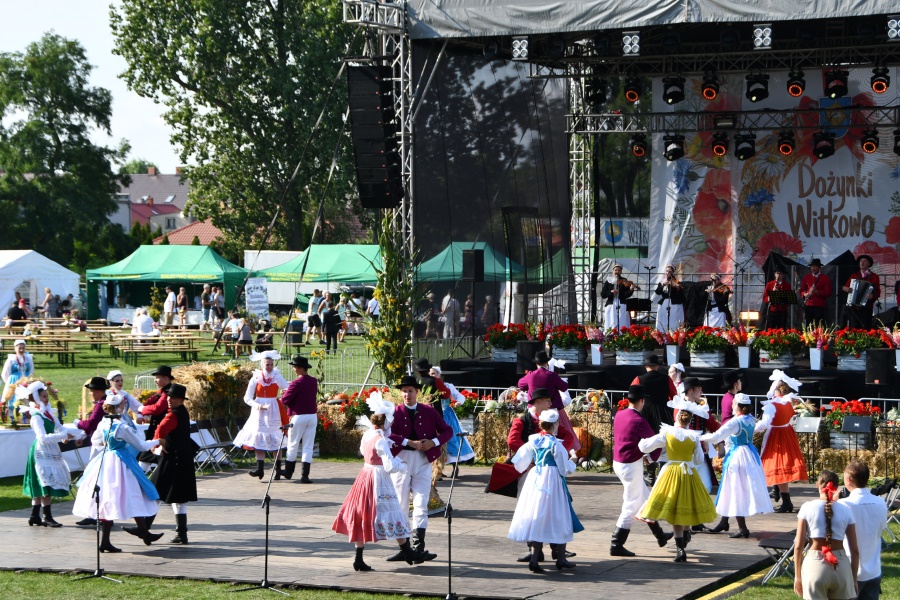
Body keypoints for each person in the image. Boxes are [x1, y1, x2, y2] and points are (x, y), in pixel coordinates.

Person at [331, 394, 424, 570]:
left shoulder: (368, 434)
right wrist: (403, 465)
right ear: (386, 423)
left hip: (365, 474)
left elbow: (362, 451)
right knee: (393, 510)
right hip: (378, 477)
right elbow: (390, 465)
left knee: (363, 513)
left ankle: (359, 558)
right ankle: (406, 551)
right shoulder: (381, 441)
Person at [72, 393, 163, 551]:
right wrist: (158, 441)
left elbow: (95, 440)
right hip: (120, 462)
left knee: (109, 498)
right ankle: (142, 531)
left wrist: (106, 445)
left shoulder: (104, 422)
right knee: (133, 493)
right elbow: (141, 446)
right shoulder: (121, 427)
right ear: (120, 407)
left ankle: (113, 539)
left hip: (106, 460)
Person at [638, 396, 719, 563]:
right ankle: (687, 534)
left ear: (677, 417)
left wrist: (642, 442)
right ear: (690, 421)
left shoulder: (668, 433)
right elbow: (698, 459)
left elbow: (644, 446)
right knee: (686, 505)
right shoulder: (693, 436)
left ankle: (680, 549)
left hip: (671, 472)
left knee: (675, 510)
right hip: (688, 472)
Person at [384, 375, 453, 563]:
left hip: (423, 461)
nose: (407, 394)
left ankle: (418, 546)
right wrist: (409, 442)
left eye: (410, 391)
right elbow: (388, 435)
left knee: (421, 504)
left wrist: (434, 442)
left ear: (417, 392)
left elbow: (448, 431)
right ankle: (405, 548)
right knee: (401, 504)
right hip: (402, 461)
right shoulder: (395, 412)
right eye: (404, 391)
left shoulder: (428, 411)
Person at [508, 408, 582, 573]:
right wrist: (574, 461)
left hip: (536, 479)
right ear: (555, 425)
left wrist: (535, 466)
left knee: (537, 516)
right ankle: (561, 559)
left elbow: (519, 463)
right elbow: (564, 469)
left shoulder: (533, 441)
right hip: (553, 481)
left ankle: (534, 559)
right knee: (559, 515)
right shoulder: (557, 445)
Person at [611, 385, 674, 557]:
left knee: (646, 498)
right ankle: (616, 544)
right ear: (642, 401)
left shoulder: (620, 414)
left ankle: (660, 536)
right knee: (631, 504)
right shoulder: (639, 421)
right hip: (631, 465)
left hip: (618, 462)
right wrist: (651, 458)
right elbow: (653, 442)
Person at [700, 393, 773, 538]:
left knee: (735, 488)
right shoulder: (751, 419)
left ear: (738, 406)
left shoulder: (735, 422)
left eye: (734, 404)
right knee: (732, 488)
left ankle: (742, 528)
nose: (732, 406)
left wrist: (698, 437)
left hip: (738, 456)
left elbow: (717, 436)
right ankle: (724, 521)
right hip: (750, 455)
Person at [794, 470, 859, 600]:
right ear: (836, 488)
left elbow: (798, 546)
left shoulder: (807, 507)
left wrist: (797, 576)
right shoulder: (846, 510)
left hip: (815, 564)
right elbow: (855, 550)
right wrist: (854, 579)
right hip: (841, 566)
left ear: (818, 485)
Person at [149, 383, 199, 544]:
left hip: (172, 461)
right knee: (178, 498)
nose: (169, 400)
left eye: (174, 398)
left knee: (154, 493)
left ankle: (144, 529)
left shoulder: (173, 415)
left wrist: (155, 445)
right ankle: (181, 533)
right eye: (169, 397)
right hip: (182, 461)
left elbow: (160, 430)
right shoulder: (182, 413)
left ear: (181, 400)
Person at [22, 381, 76, 528]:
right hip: (41, 451)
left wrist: (64, 435)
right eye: (44, 396)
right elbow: (43, 438)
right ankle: (47, 517)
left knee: (46, 482)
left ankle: (34, 515)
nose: (46, 399)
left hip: (50, 450)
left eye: (46, 396)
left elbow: (59, 427)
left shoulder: (48, 413)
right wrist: (61, 436)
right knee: (45, 483)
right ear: (36, 398)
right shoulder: (36, 417)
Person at [755, 370, 808, 513]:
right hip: (787, 433)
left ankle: (784, 500)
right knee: (780, 465)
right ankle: (780, 495)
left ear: (775, 388)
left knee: (774, 465)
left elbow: (764, 424)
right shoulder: (789, 402)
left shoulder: (772, 405)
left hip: (777, 435)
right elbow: (790, 420)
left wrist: (750, 429)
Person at [233, 351, 289, 480]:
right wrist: (256, 405)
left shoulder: (277, 376)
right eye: (266, 364)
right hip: (259, 410)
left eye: (270, 364)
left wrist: (283, 400)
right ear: (262, 365)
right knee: (259, 437)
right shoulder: (256, 378)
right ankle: (260, 469)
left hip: (274, 409)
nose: (269, 366)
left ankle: (278, 470)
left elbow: (286, 388)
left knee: (276, 437)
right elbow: (247, 398)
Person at [838, 459, 888, 600]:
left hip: (850, 568)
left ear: (848, 479)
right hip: (873, 567)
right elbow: (881, 528)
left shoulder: (843, 504)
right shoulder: (880, 502)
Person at [518, 351, 580, 452]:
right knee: (556, 433)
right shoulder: (551, 375)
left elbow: (520, 384)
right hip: (551, 409)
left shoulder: (531, 375)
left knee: (532, 432)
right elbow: (564, 387)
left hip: (535, 410)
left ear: (536, 364)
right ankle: (558, 453)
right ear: (547, 363)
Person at [428, 366, 476, 475]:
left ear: (439, 375)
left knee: (452, 439)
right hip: (433, 416)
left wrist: (459, 402)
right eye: (430, 374)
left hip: (447, 415)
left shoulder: (448, 386)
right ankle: (438, 469)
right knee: (437, 442)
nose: (432, 376)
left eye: (434, 373)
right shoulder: (428, 386)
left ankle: (455, 467)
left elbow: (460, 396)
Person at [278, 354, 318, 483]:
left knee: (293, 444)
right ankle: (305, 475)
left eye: (295, 367)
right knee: (308, 445)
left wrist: (283, 394)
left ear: (301, 368)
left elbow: (285, 400)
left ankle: (288, 472)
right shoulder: (313, 381)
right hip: (312, 415)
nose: (293, 369)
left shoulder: (296, 383)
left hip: (299, 416)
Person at [136, 366, 175, 471]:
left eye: (157, 377)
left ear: (165, 378)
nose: (155, 380)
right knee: (146, 458)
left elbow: (157, 409)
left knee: (150, 458)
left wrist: (142, 409)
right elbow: (149, 402)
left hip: (163, 432)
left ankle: (140, 482)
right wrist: (141, 413)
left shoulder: (168, 393)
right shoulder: (161, 391)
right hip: (156, 432)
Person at [842, 254, 881, 329]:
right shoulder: (854, 275)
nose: (862, 263)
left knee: (866, 328)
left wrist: (872, 296)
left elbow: (878, 292)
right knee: (854, 328)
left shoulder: (874, 277)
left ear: (868, 264)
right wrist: (846, 288)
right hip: (854, 308)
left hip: (867, 308)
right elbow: (844, 287)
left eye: (864, 261)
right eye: (861, 261)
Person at [2, 339, 34, 424]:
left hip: (25, 383)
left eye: (23, 348)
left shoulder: (28, 358)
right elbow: (5, 373)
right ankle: (13, 418)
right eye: (19, 348)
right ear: (15, 348)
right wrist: (10, 383)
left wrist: (28, 381)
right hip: (14, 382)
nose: (21, 350)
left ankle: (24, 418)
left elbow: (31, 371)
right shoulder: (11, 360)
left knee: (25, 399)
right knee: (13, 400)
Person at [800, 258, 833, 325]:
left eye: (815, 266)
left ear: (819, 267)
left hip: (819, 307)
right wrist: (805, 294)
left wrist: (817, 292)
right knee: (808, 326)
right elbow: (801, 290)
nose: (813, 268)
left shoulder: (825, 278)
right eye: (812, 266)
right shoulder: (806, 277)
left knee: (819, 326)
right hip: (809, 306)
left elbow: (828, 292)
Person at [600, 264, 634, 330]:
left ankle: (622, 334)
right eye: (615, 270)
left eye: (619, 270)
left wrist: (631, 289)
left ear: (621, 272)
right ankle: (610, 335)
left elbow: (626, 295)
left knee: (622, 320)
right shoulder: (608, 281)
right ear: (613, 271)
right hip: (611, 304)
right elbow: (603, 294)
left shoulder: (624, 281)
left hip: (622, 304)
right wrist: (611, 292)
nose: (617, 272)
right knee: (611, 321)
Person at [655, 265, 685, 332]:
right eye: (666, 271)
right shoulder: (662, 281)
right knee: (662, 318)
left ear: (672, 273)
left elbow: (680, 293)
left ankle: (672, 332)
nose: (667, 273)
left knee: (672, 319)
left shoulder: (676, 281)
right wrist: (662, 285)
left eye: (669, 271)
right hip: (664, 302)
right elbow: (657, 292)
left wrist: (677, 288)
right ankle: (662, 332)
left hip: (673, 302)